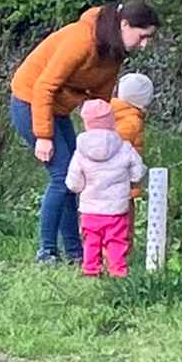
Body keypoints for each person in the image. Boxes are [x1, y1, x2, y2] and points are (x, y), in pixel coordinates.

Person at [9, 0, 159, 263]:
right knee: (61, 177)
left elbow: (100, 101)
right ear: (125, 25)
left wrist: (103, 140)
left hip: (59, 108)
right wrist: (43, 136)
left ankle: (75, 253)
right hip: (30, 101)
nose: (144, 44)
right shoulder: (82, 40)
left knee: (73, 177)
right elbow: (44, 86)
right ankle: (46, 251)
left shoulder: (113, 53)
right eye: (142, 36)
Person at [65, 99, 146, 277]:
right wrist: (131, 179)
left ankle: (91, 269)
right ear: (112, 121)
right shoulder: (124, 147)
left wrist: (80, 188)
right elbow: (138, 172)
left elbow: (73, 182)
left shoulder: (81, 151)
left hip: (90, 208)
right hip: (117, 208)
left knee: (91, 240)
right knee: (117, 240)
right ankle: (118, 270)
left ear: (86, 123)